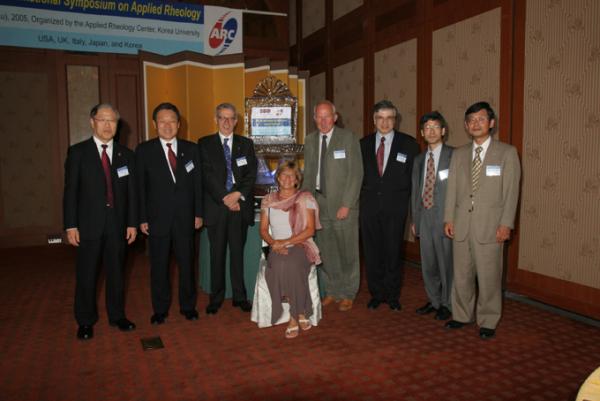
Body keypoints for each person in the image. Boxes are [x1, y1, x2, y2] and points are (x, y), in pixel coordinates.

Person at [444, 101, 521, 340]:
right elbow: (452, 190)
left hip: (491, 226)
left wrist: (506, 224)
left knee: (489, 277)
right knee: (462, 274)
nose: (476, 124)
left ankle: (488, 319)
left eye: (481, 119)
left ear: (491, 123)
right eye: (471, 120)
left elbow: (511, 192)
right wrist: (448, 218)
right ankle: (461, 314)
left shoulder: (507, 153)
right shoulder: (458, 154)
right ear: (466, 126)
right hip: (461, 224)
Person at [63, 103, 137, 340]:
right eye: (102, 120)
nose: (107, 125)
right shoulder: (78, 153)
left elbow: (132, 194)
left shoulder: (127, 155)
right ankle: (85, 320)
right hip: (88, 226)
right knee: (87, 275)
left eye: (112, 121)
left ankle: (117, 315)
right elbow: (70, 192)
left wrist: (132, 223)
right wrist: (71, 225)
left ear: (117, 125)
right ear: (92, 122)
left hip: (118, 225)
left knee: (117, 273)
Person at [136, 102, 203, 325]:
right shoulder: (144, 150)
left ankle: (188, 306)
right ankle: (160, 309)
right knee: (159, 267)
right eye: (162, 121)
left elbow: (197, 185)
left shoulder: (192, 149)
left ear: (179, 124)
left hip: (186, 219)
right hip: (157, 220)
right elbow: (140, 188)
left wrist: (198, 213)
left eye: (172, 121)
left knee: (187, 265)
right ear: (154, 124)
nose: (167, 125)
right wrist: (142, 217)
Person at [301, 100, 363, 312]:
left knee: (347, 251)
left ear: (335, 117)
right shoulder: (309, 140)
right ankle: (333, 290)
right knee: (326, 251)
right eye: (319, 117)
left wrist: (347, 204)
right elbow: (308, 174)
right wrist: (306, 202)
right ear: (314, 119)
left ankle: (348, 292)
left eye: (327, 116)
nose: (323, 121)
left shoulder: (348, 138)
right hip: (318, 203)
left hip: (343, 205)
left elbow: (356, 174)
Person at [198, 103, 257, 315]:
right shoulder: (204, 144)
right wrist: (225, 197)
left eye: (231, 118)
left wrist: (237, 195)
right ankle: (216, 298)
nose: (226, 122)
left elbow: (251, 174)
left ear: (236, 121)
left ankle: (240, 297)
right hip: (217, 208)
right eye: (222, 117)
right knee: (217, 254)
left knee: (237, 254)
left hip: (239, 206)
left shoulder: (246, 144)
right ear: (216, 119)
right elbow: (207, 176)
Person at [360, 100, 419, 311]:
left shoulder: (409, 145)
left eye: (389, 118)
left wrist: (414, 214)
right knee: (372, 252)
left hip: (396, 208)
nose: (385, 123)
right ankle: (377, 293)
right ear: (374, 120)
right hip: (369, 209)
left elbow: (415, 182)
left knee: (394, 252)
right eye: (380, 118)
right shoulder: (362, 144)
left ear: (395, 120)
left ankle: (393, 295)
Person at [258, 162, 322, 338]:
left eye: (292, 176)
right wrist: (274, 243)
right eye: (283, 175)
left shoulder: (305, 198)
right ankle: (301, 312)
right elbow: (263, 230)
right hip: (277, 245)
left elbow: (309, 230)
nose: (287, 179)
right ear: (278, 177)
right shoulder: (268, 200)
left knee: (292, 265)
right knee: (278, 265)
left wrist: (285, 242)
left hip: (301, 244)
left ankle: (294, 316)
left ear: (297, 180)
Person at [411, 111, 454, 320]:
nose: (431, 131)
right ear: (422, 132)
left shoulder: (454, 156)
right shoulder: (419, 159)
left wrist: (453, 218)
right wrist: (415, 219)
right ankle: (434, 300)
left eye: (436, 127)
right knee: (428, 263)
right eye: (427, 128)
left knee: (446, 263)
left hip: (445, 217)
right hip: (425, 216)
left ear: (443, 131)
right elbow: (415, 190)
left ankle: (448, 303)